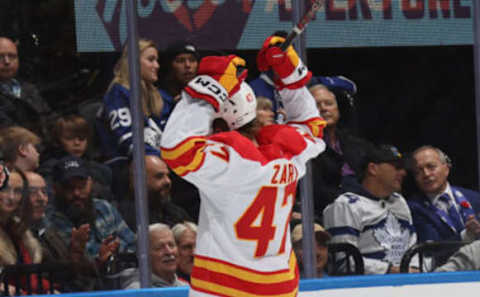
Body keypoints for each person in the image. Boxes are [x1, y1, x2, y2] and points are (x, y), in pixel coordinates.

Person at [161, 34, 326, 296]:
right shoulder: (288, 153)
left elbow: (175, 147)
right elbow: (311, 126)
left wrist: (206, 93)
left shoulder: (226, 163)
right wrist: (289, 76)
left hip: (224, 287)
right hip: (280, 286)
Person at [323, 144, 418, 274]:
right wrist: (389, 270)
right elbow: (343, 262)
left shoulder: (399, 201)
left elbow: (412, 247)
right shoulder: (345, 205)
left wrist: (415, 270)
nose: (403, 172)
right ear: (373, 169)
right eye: (397, 167)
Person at [96, 38, 163, 203]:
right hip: (124, 174)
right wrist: (159, 161)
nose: (157, 66)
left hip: (150, 167)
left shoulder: (153, 96)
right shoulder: (118, 93)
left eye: (157, 60)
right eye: (150, 60)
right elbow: (129, 141)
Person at [47, 155, 136, 261]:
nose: (77, 193)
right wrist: (100, 259)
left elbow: (133, 244)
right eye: (69, 188)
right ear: (56, 188)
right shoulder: (51, 221)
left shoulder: (104, 208)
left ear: (90, 182)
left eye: (81, 186)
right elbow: (71, 266)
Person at [25, 171, 99, 292]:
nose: (41, 198)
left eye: (44, 192)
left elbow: (68, 275)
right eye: (32, 192)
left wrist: (76, 254)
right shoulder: (13, 235)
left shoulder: (48, 231)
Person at [308, 83, 372, 220]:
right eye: (317, 105)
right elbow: (317, 192)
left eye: (328, 103)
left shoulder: (355, 143)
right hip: (330, 213)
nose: (324, 108)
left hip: (367, 209)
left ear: (337, 108)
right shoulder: (307, 147)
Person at [408, 145, 480, 242]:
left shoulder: (474, 198)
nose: (426, 174)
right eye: (418, 171)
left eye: (431, 167)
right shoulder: (414, 208)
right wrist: (467, 236)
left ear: (446, 169)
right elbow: (432, 249)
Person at [0, 169, 52, 294]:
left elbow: (31, 280)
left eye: (17, 191)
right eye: (4, 189)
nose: (11, 197)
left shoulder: (19, 231)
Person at [38, 114, 113, 201]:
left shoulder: (102, 170)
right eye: (69, 138)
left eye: (81, 138)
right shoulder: (50, 168)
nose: (77, 143)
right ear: (58, 141)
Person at [121, 155, 191, 230]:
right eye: (159, 176)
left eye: (168, 176)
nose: (168, 181)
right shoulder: (125, 217)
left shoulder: (177, 213)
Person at [0, 37, 52, 138]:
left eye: (12, 56)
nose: (7, 62)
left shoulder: (29, 88)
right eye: (0, 57)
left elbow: (48, 117)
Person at [122, 223, 188, 289]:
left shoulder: (186, 287)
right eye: (159, 247)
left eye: (171, 245)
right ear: (142, 256)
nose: (169, 252)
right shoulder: (137, 291)